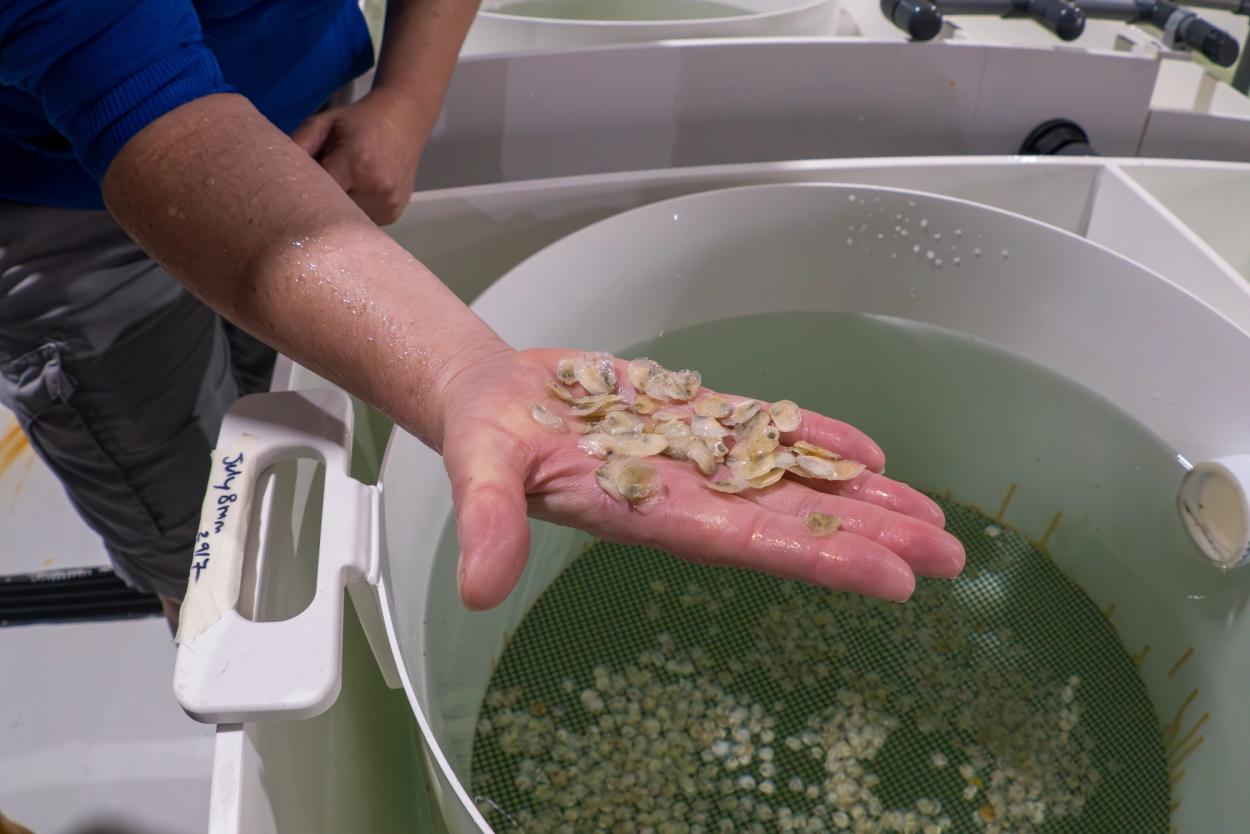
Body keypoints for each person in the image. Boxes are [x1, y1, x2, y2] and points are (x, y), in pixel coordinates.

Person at [0, 0, 964, 632]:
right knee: (196, 517)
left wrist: (408, 100)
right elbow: (134, 96)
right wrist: (462, 370)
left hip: (309, 105)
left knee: (284, 394)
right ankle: (209, 635)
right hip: (63, 196)